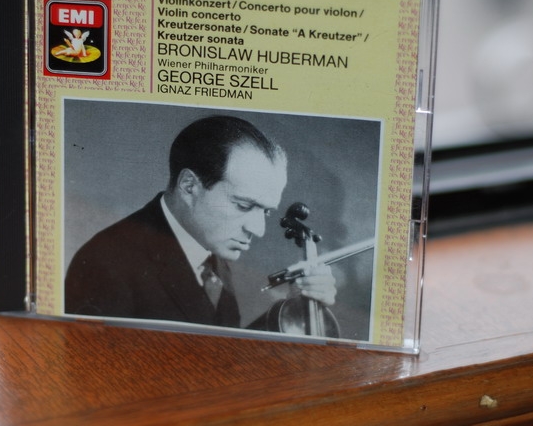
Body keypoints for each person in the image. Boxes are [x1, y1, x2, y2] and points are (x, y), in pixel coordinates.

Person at [64, 115, 336, 329]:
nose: (258, 230)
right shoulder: (105, 264)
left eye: (265, 212)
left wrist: (290, 309)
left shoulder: (208, 250)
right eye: (243, 205)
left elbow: (217, 353)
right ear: (189, 186)